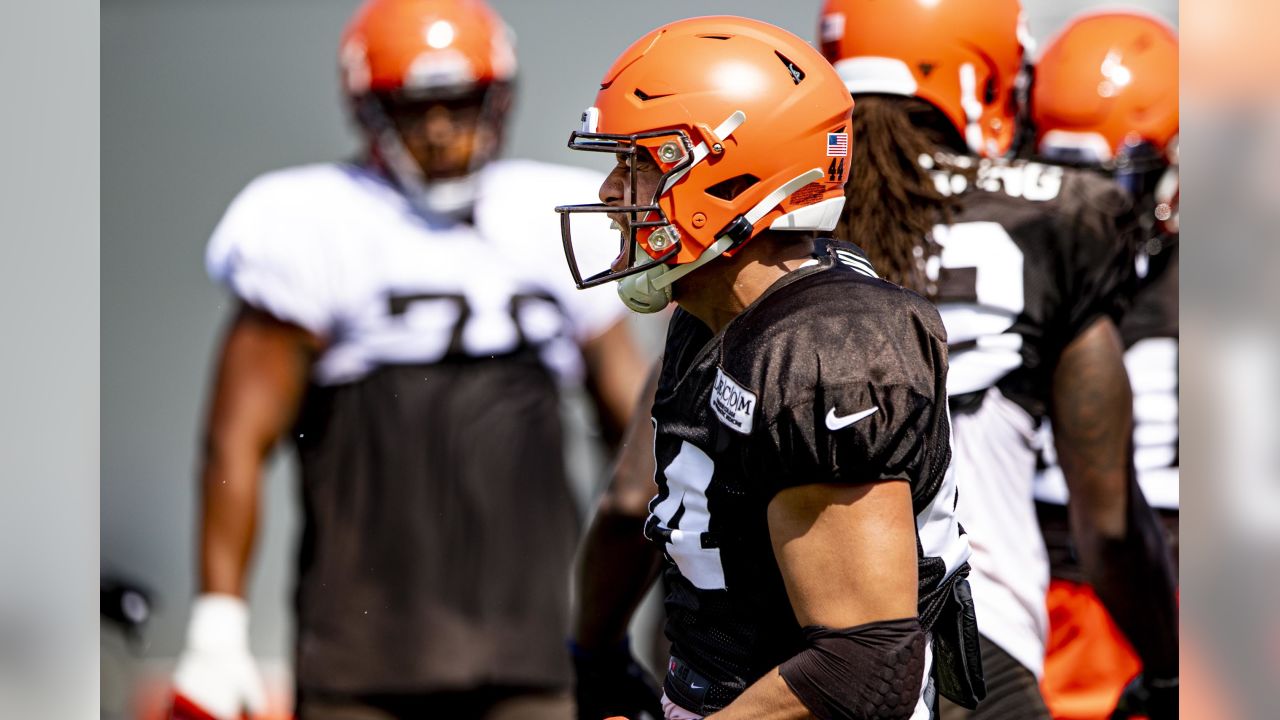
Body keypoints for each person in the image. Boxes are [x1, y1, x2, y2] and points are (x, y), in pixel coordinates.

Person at [168, 1, 646, 719]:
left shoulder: (555, 216)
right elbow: (237, 438)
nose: (441, 128)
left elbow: (639, 430)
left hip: (534, 643)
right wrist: (218, 621)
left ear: (499, 98)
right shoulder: (311, 223)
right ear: (368, 109)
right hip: (364, 655)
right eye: (415, 106)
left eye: (461, 101)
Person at [558, 15, 978, 720]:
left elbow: (865, 664)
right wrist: (598, 658)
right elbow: (636, 504)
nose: (609, 193)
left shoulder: (831, 346)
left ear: (729, 173)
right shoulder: (710, 312)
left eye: (638, 163)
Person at [816, 1, 1179, 718]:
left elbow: (636, 500)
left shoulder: (773, 227)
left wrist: (597, 653)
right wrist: (1169, 671)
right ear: (984, 75)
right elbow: (1106, 521)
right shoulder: (1060, 221)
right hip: (982, 642)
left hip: (790, 660)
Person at [1026, 12, 1180, 720]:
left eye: (1111, 184)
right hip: (1046, 590)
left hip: (1138, 593)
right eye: (1062, 180)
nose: (1085, 211)